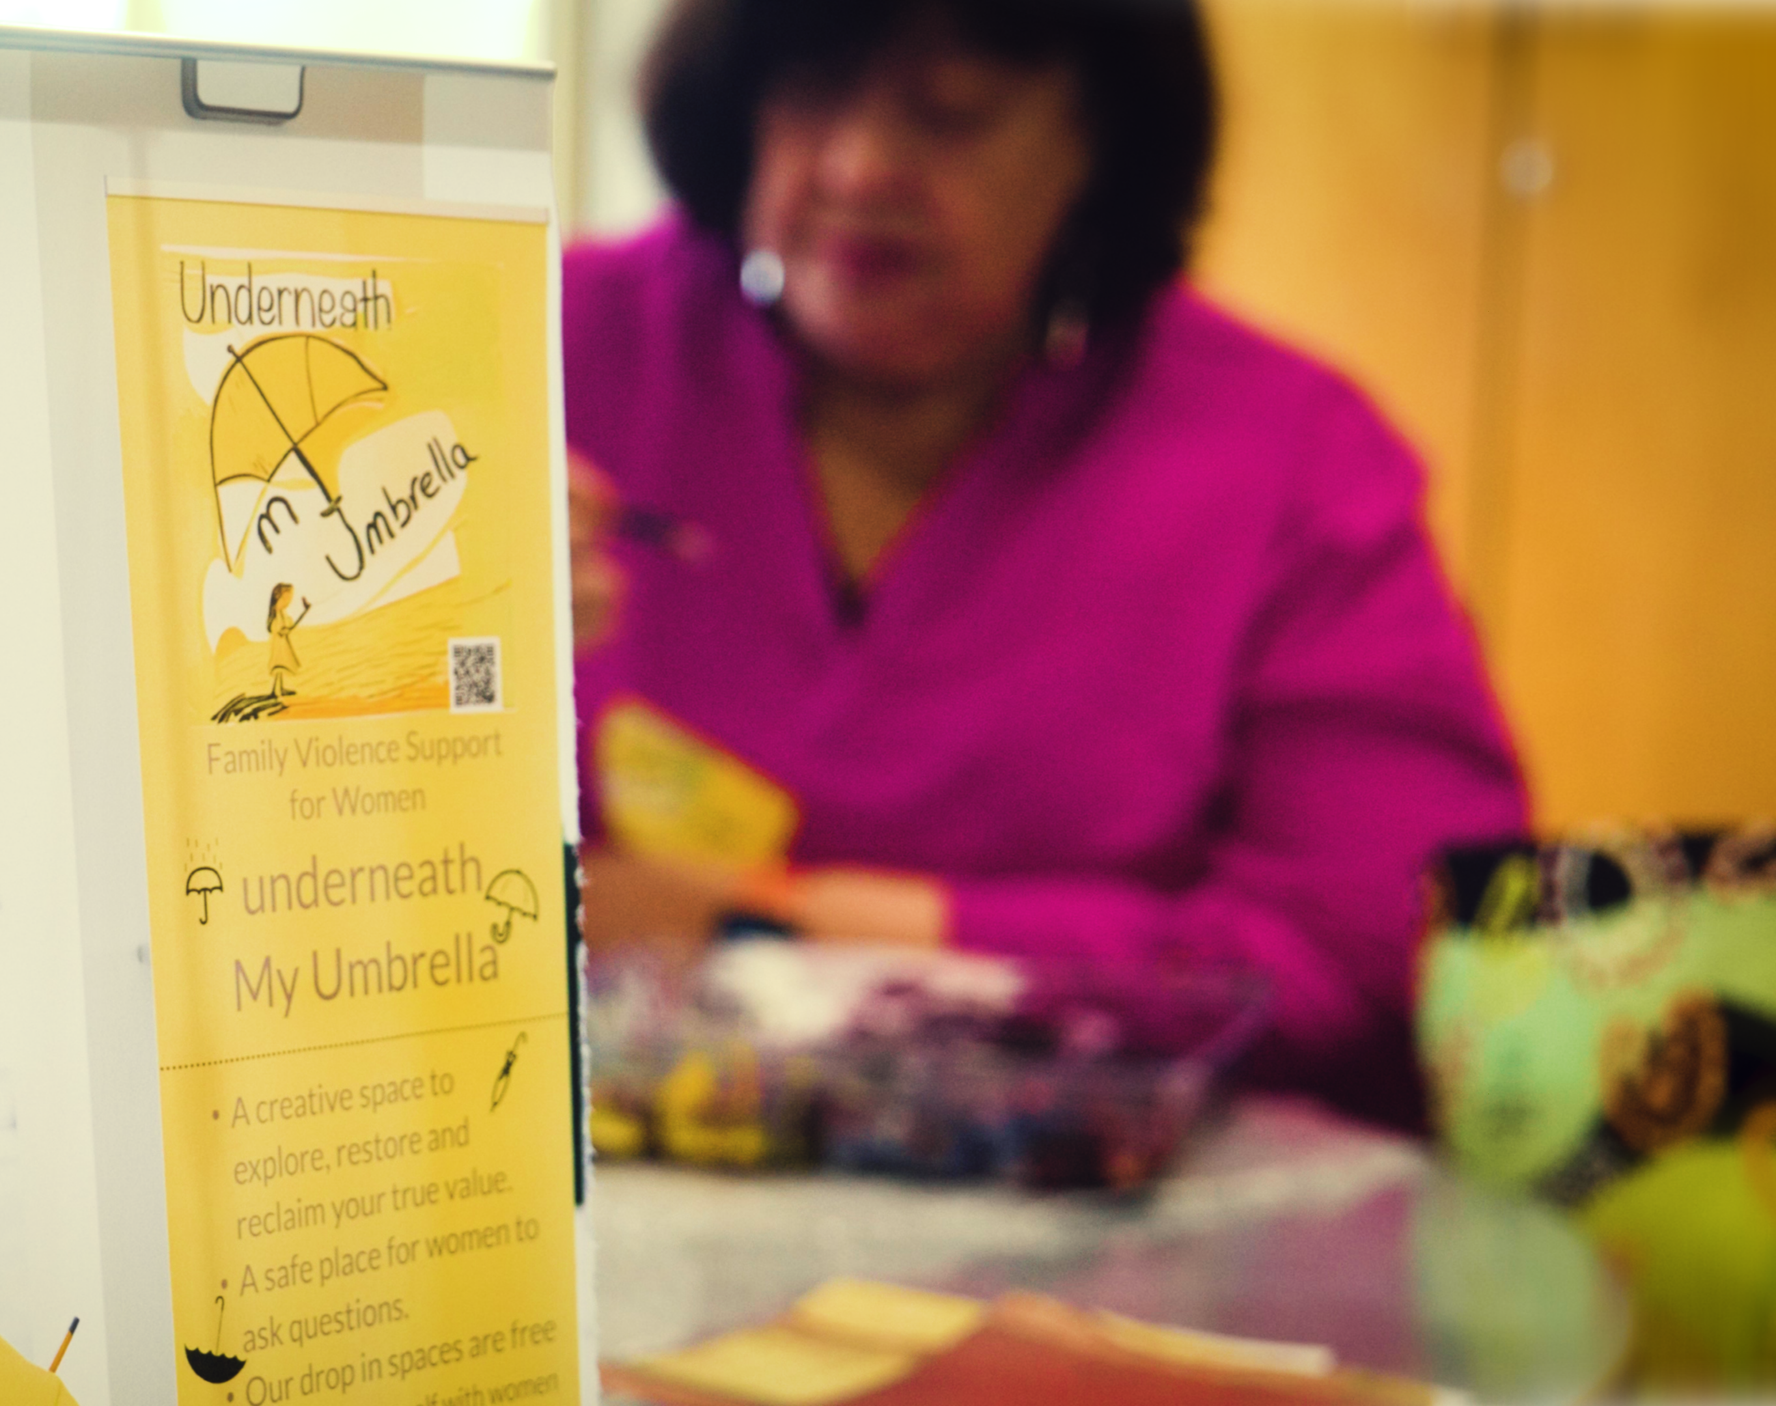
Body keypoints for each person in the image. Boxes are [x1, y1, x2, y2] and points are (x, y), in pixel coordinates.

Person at [564, 0, 1527, 1124]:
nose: (861, 166)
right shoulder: (549, 347)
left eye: (952, 115)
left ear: (1099, 148)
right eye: (815, 91)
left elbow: (1384, 949)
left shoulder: (1288, 460)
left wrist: (761, 917)